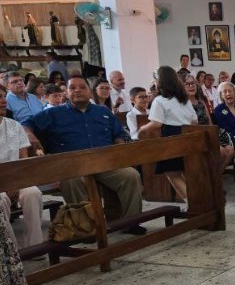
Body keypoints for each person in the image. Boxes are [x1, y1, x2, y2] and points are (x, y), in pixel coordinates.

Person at [24, 76, 145, 235]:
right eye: (72, 88)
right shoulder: (54, 113)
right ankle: (85, 227)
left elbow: (119, 133)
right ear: (66, 93)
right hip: (72, 166)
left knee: (131, 175)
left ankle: (130, 222)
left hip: (104, 163)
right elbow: (25, 125)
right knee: (71, 180)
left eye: (82, 87)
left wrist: (119, 147)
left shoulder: (103, 112)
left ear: (90, 91)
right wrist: (32, 138)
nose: (78, 90)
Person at [137, 67, 197, 203]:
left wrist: (141, 130)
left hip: (172, 137)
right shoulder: (183, 99)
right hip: (187, 136)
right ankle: (196, 200)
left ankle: (192, 203)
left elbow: (156, 124)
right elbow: (195, 120)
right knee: (183, 172)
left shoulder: (160, 100)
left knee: (172, 173)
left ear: (161, 81)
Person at [0, 85, 44, 249]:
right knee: (1, 200)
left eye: (4, 97)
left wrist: (17, 184)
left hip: (16, 179)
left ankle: (35, 246)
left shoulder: (14, 125)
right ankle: (10, 250)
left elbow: (23, 161)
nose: (3, 101)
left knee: (33, 192)